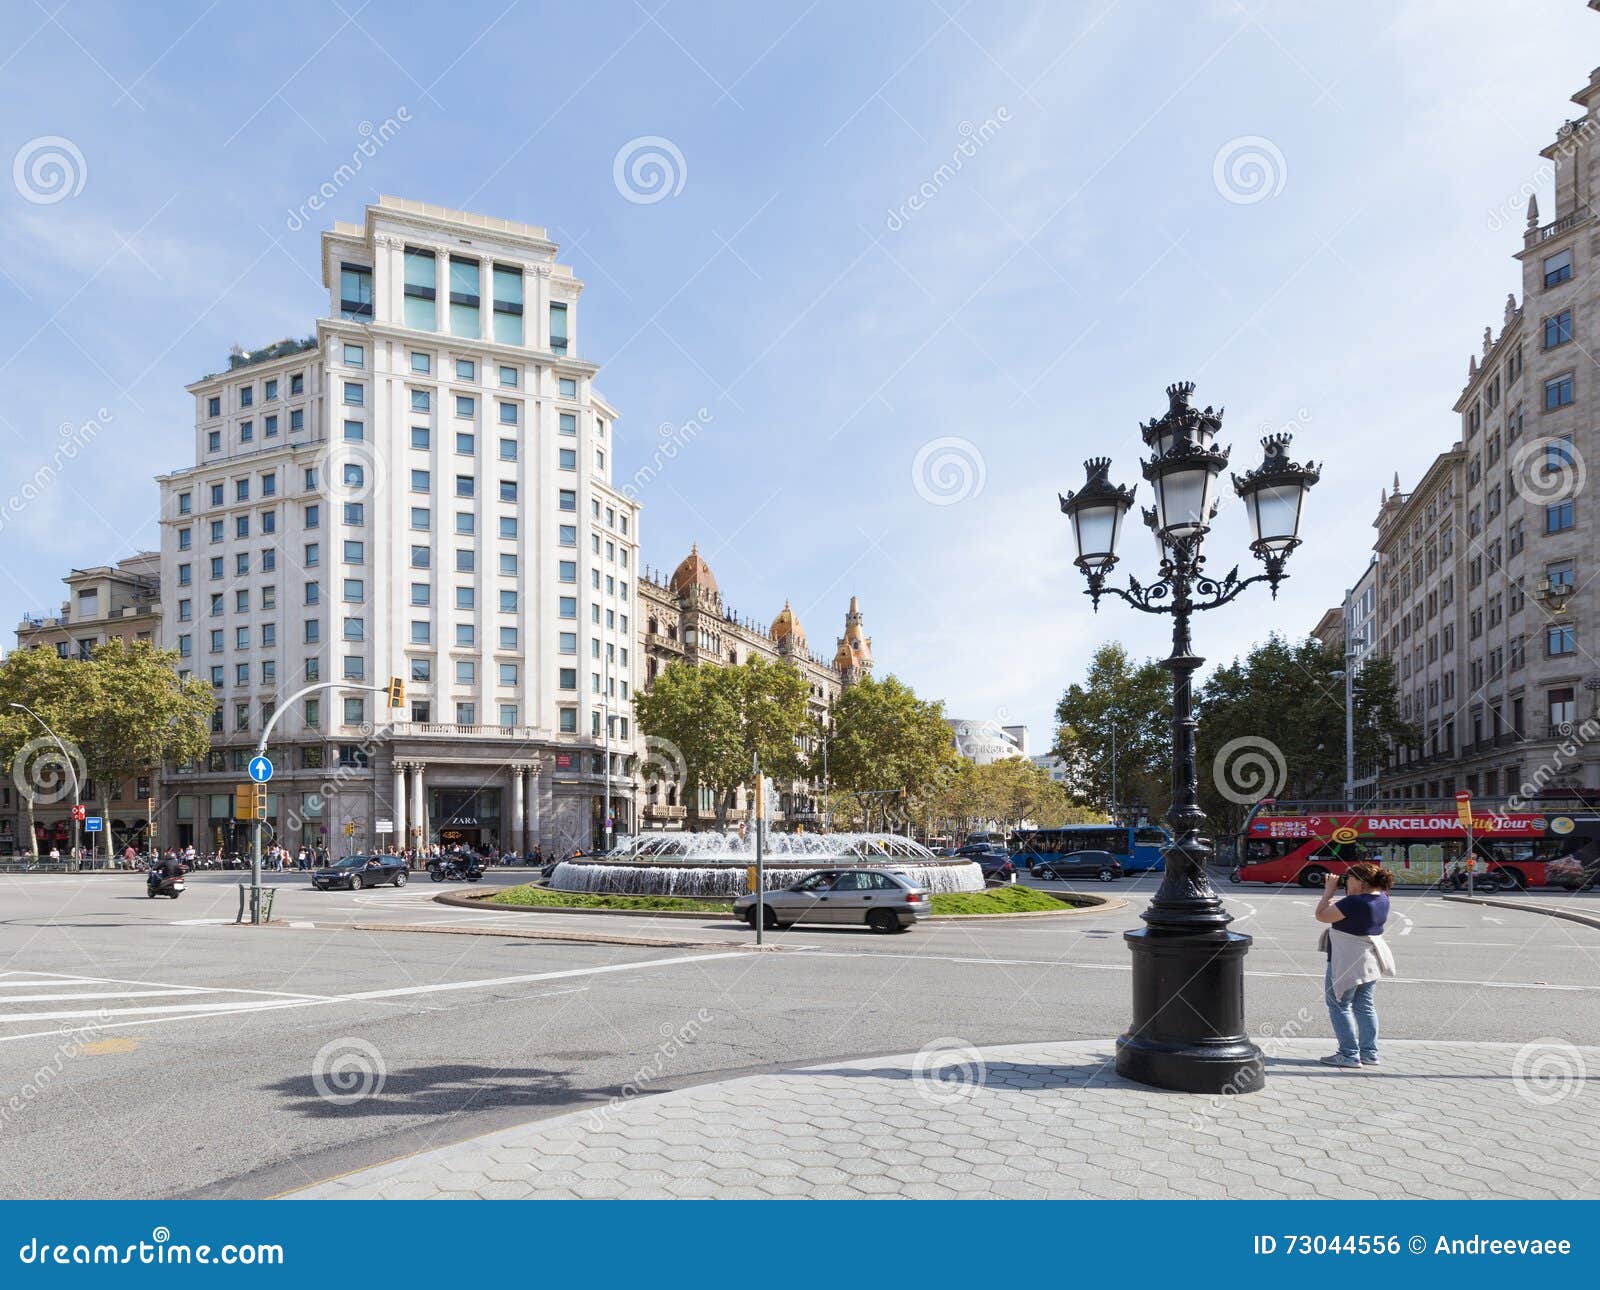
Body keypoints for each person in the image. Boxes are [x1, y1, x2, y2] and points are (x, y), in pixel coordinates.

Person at [1314, 861, 1397, 1069]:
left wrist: (1328, 892)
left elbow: (1321, 915)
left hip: (1347, 961)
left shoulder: (1354, 903)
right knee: (1364, 1005)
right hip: (1371, 961)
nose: (1345, 882)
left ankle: (1349, 1054)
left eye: (1349, 879)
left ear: (1360, 882)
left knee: (1339, 1005)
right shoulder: (1383, 899)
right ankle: (1369, 1053)